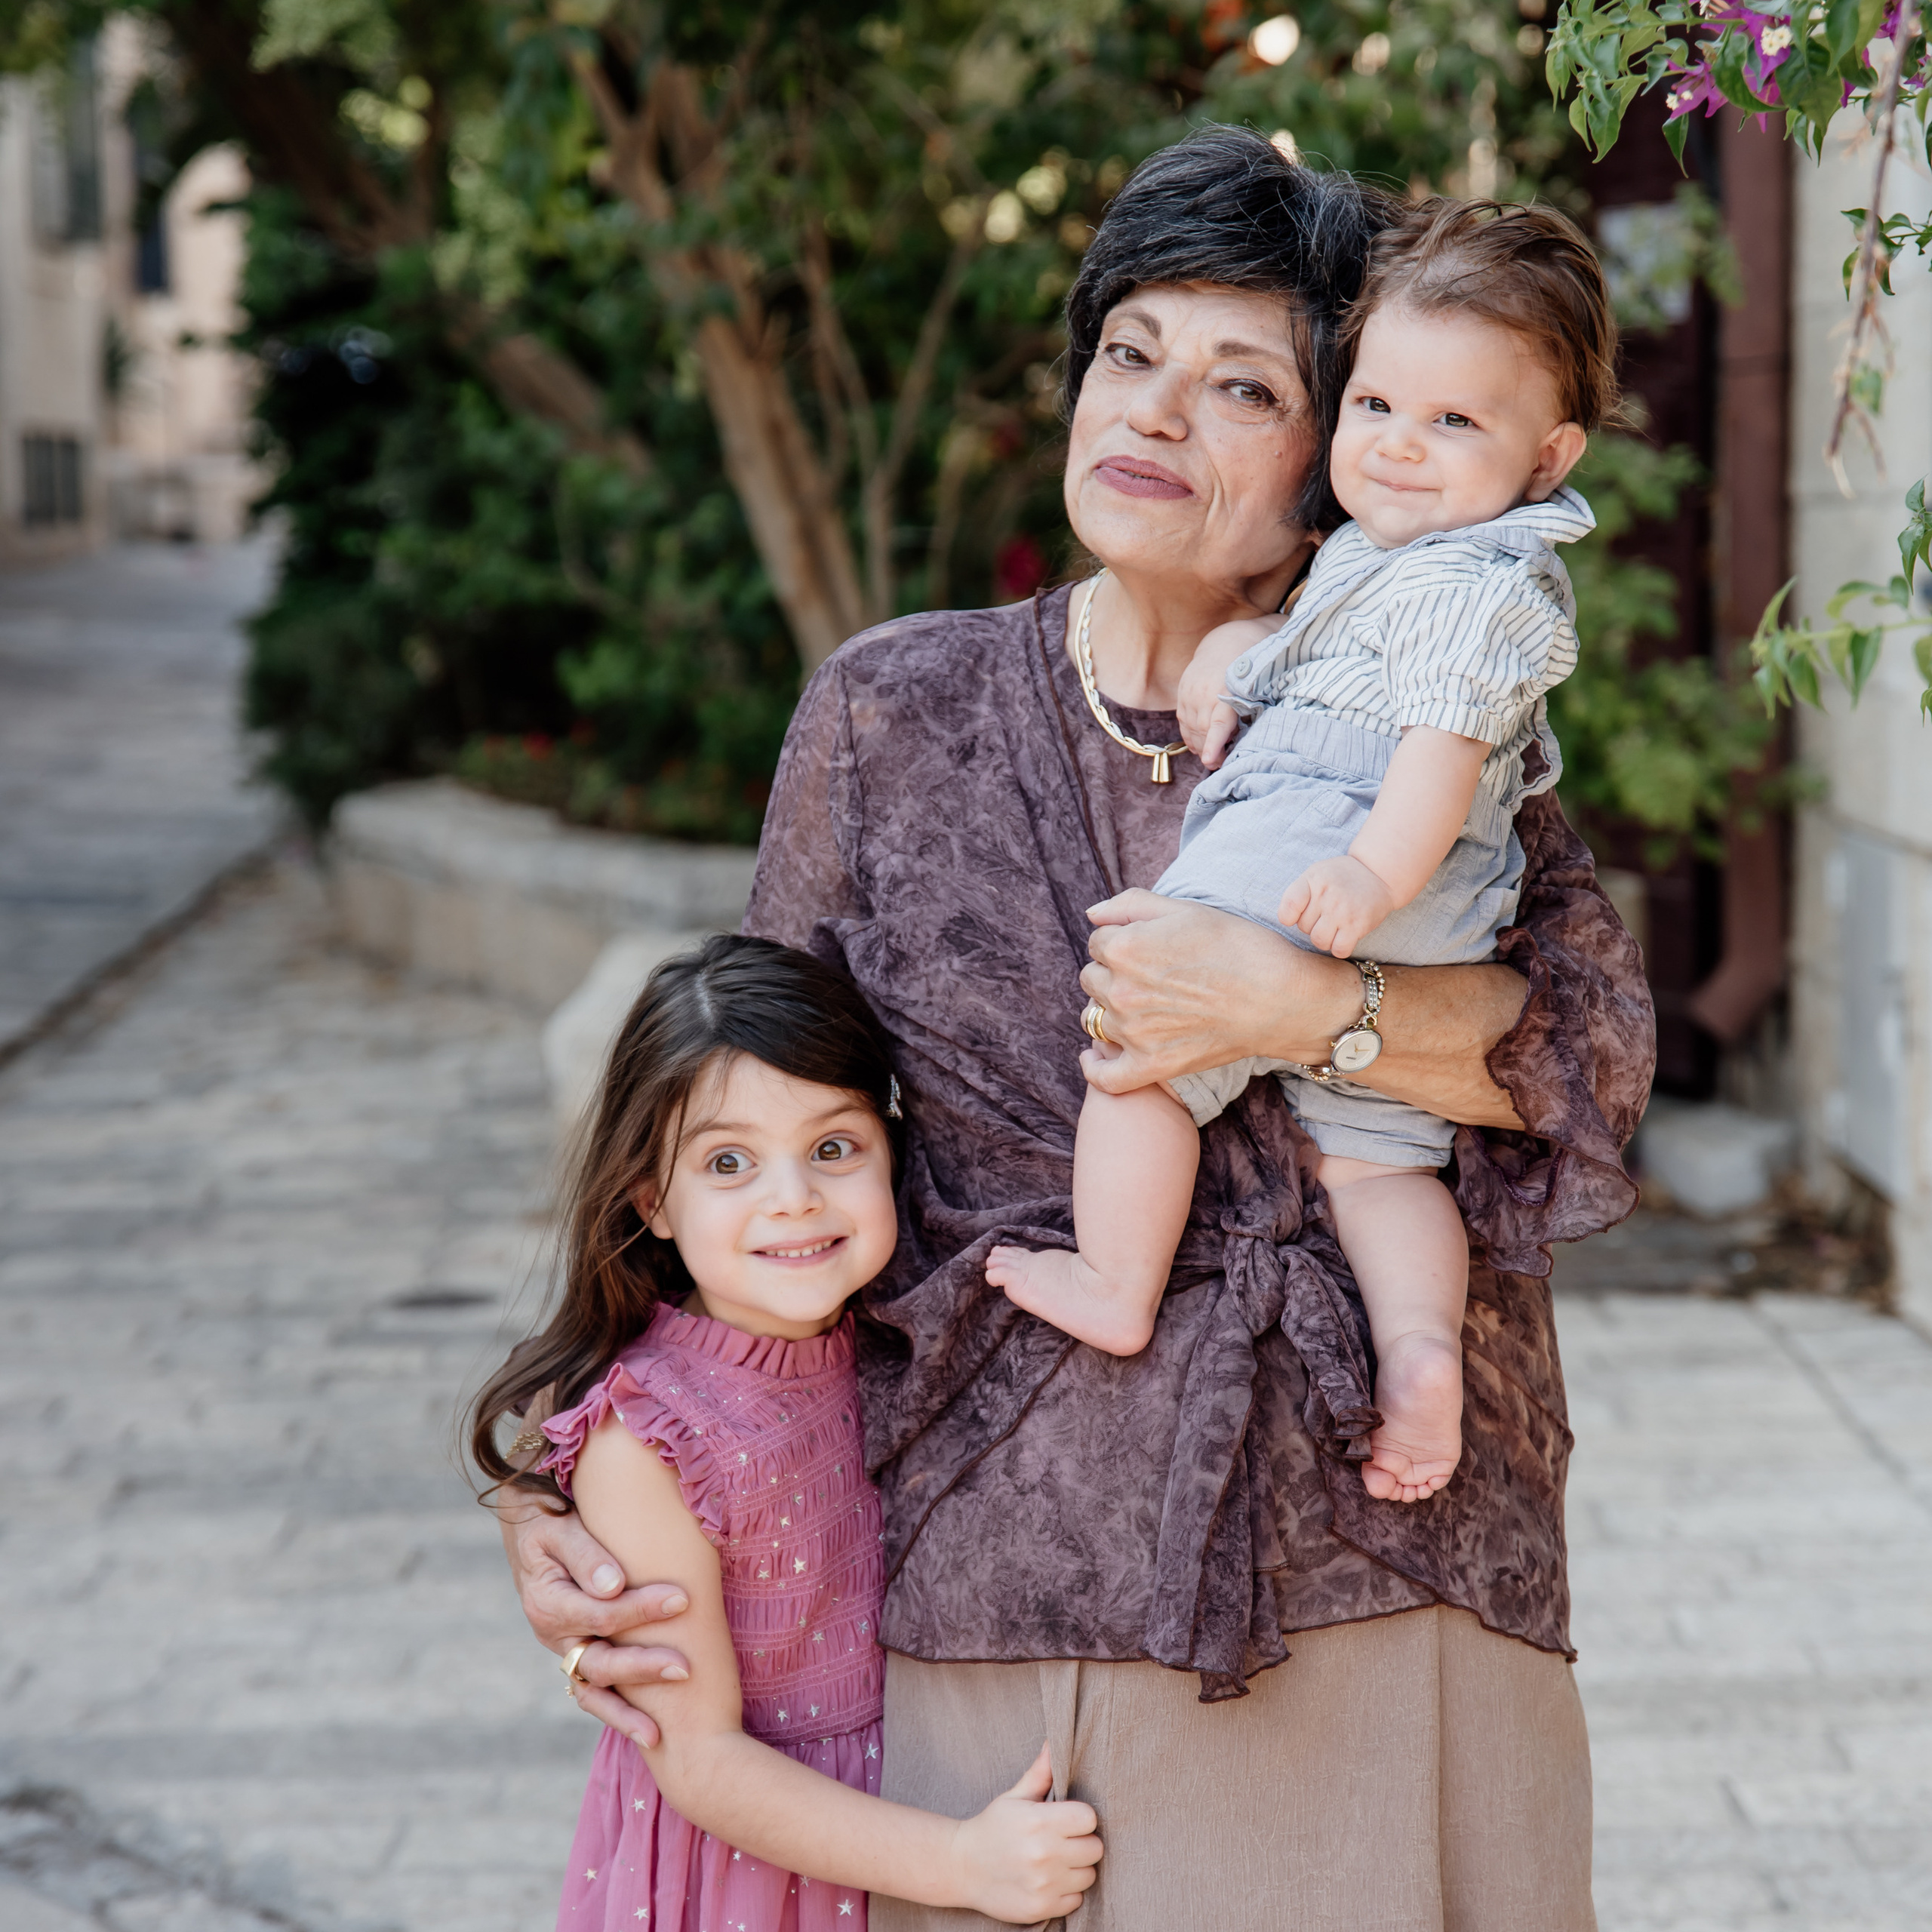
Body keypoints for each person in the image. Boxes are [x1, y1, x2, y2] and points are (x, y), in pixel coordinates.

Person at [500, 126, 1653, 1932]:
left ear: (1339, 445)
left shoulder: (1422, 698)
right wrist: (575, 1479)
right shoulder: (895, 710)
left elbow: (1586, 1061)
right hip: (984, 1561)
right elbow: (738, 1136)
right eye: (1129, 352)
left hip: (1374, 1546)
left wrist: (1313, 1009)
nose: (1155, 413)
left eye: (1242, 384)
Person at [986, 198, 1614, 1509]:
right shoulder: (1401, 560)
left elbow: (1440, 750)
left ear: (1548, 456)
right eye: (1375, 406)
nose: (1401, 444)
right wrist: (1241, 652)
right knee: (1381, 1161)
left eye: (1454, 421)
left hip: (1330, 846)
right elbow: (1327, 655)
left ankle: (1114, 1278)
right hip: (1432, 903)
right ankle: (1420, 1353)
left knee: (1142, 1049)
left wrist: (1364, 891)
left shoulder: (1466, 584)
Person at [469, 937, 1102, 1930]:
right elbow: (702, 1760)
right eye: (729, 1163)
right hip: (757, 1873)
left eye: (833, 1148)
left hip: (902, 1816)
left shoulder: (896, 1334)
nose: (793, 1197)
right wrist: (959, 1864)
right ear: (651, 1201)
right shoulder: (651, 1440)